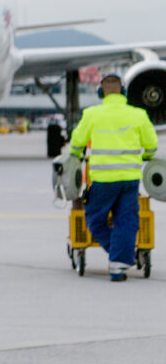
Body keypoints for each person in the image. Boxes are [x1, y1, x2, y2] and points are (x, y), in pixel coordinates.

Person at [69, 73, 157, 281]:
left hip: (103, 180)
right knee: (126, 221)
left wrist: (76, 154)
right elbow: (151, 146)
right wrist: (145, 156)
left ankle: (120, 254)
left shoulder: (92, 114)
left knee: (94, 219)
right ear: (123, 92)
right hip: (129, 180)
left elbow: (76, 143)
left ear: (101, 93)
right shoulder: (138, 115)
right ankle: (119, 265)